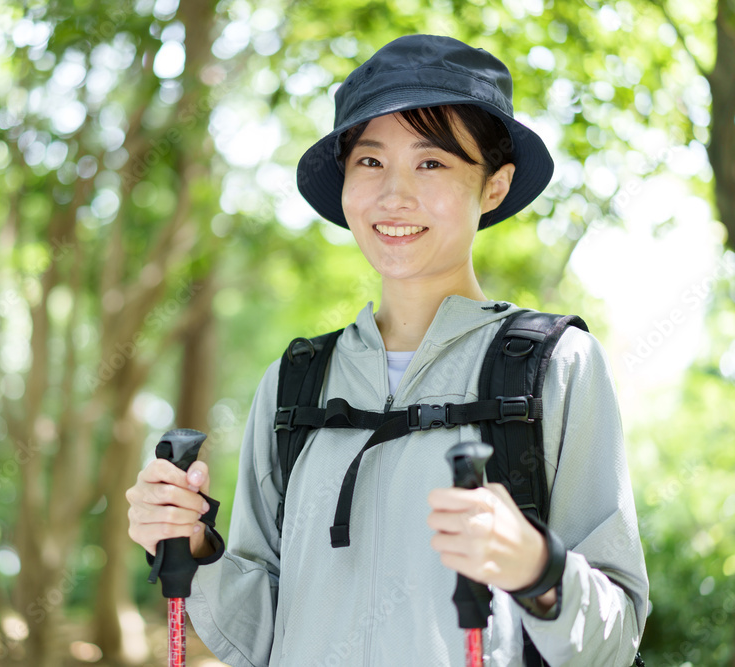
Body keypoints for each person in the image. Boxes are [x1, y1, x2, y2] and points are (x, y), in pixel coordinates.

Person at [126, 34, 648, 666]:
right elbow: (262, 638)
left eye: (432, 163)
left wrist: (540, 568)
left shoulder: (555, 367)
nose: (393, 195)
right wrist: (192, 548)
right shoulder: (296, 384)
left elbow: (615, 638)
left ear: (494, 186)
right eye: (370, 162)